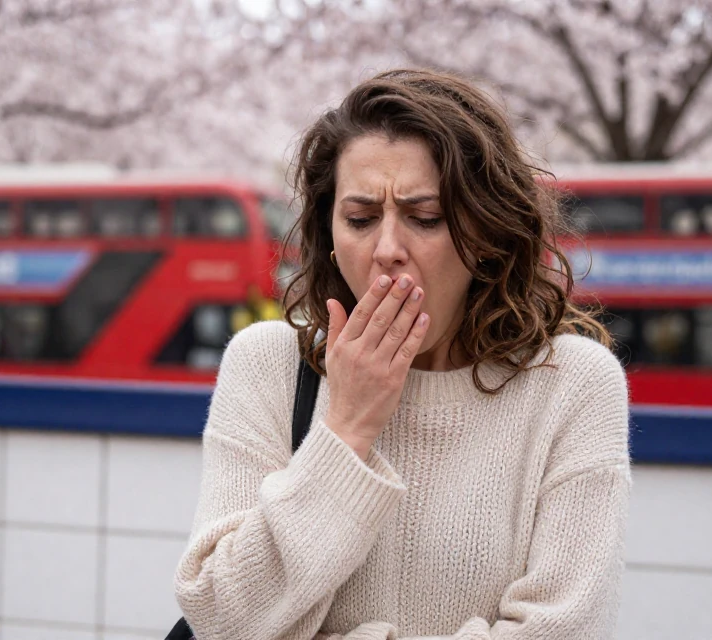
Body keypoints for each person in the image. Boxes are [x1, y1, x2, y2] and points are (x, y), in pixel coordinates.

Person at [174, 69, 631, 639]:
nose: (388, 250)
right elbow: (220, 617)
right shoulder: (268, 365)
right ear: (329, 234)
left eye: (426, 218)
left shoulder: (572, 384)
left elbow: (568, 628)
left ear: (486, 236)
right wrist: (345, 428)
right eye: (360, 220)